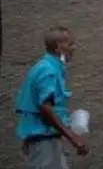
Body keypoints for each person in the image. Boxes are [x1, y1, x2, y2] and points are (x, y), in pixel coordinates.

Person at [15, 26, 89, 169]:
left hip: (43, 141)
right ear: (58, 47)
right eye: (70, 44)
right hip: (44, 142)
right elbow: (45, 108)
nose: (74, 48)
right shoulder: (48, 70)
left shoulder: (46, 67)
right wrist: (73, 138)